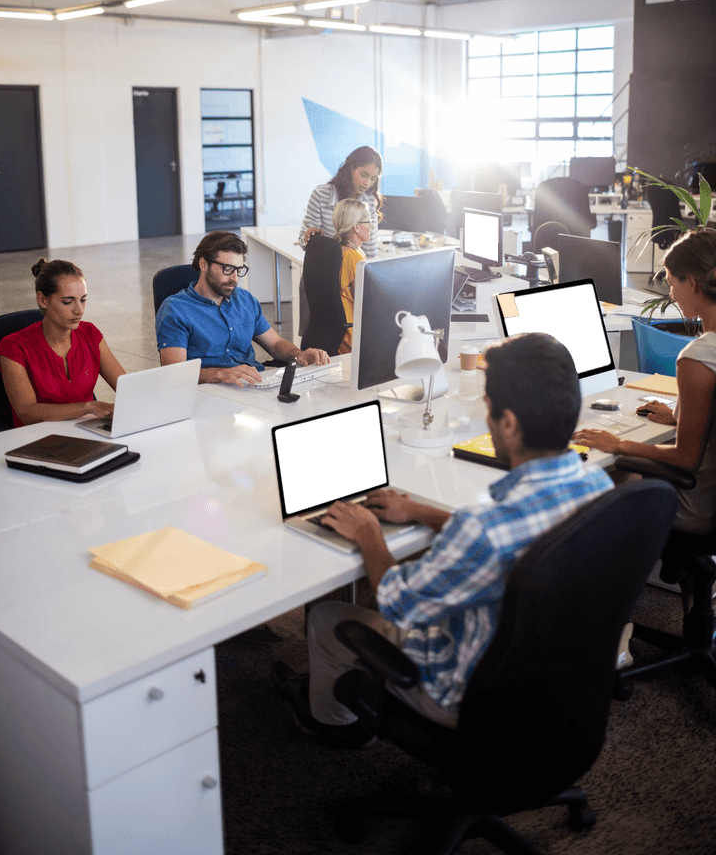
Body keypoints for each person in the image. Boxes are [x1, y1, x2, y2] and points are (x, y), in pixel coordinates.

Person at [271, 333, 613, 744]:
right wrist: (422, 513)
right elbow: (507, 537)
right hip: (558, 675)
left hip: (468, 695)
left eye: (487, 407)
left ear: (508, 423)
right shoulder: (596, 484)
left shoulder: (483, 529)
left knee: (328, 618)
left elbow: (397, 603)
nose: (486, 416)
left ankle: (333, 727)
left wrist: (368, 534)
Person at [577, 227, 716, 535]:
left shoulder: (698, 358)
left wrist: (619, 444)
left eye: (671, 283)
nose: (670, 294)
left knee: (596, 494)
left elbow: (686, 457)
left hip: (696, 510)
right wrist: (680, 416)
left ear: (691, 283)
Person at [156, 231, 329, 386]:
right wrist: (220, 374)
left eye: (239, 270)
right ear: (203, 264)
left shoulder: (244, 300)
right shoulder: (175, 309)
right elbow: (174, 373)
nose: (234, 278)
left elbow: (275, 344)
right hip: (208, 393)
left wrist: (299, 355)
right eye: (227, 269)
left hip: (251, 387)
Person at [0, 258, 125, 427]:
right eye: (68, 301)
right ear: (42, 300)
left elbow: (128, 387)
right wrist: (88, 407)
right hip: (37, 441)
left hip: (87, 434)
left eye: (83, 299)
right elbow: (27, 412)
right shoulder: (13, 347)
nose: (79, 310)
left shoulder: (90, 334)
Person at [299, 146, 383, 259]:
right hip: (326, 267)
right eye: (363, 175)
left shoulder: (369, 200)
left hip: (352, 270)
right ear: (350, 169)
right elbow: (303, 242)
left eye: (373, 178)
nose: (367, 183)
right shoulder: (321, 194)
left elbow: (370, 247)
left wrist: (369, 273)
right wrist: (310, 236)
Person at [330, 198, 371, 355]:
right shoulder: (354, 257)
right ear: (356, 226)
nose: (372, 227)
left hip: (338, 332)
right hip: (352, 335)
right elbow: (364, 301)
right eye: (369, 222)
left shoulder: (336, 249)